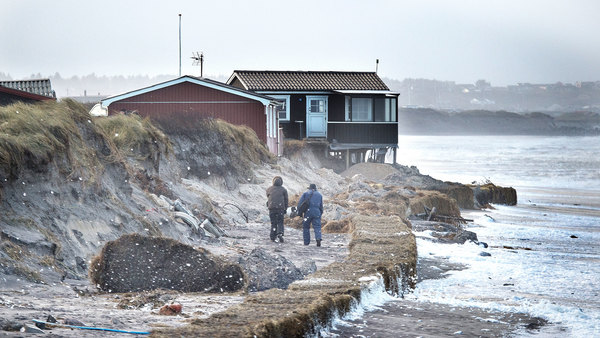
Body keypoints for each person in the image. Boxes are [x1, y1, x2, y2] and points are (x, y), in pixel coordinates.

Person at [266, 176, 288, 243]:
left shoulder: (269, 189)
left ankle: (273, 237)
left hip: (272, 208)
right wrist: (285, 208)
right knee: (280, 222)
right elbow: (286, 200)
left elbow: (268, 196)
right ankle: (280, 233)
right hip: (280, 208)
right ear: (281, 182)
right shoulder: (283, 190)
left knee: (273, 223)